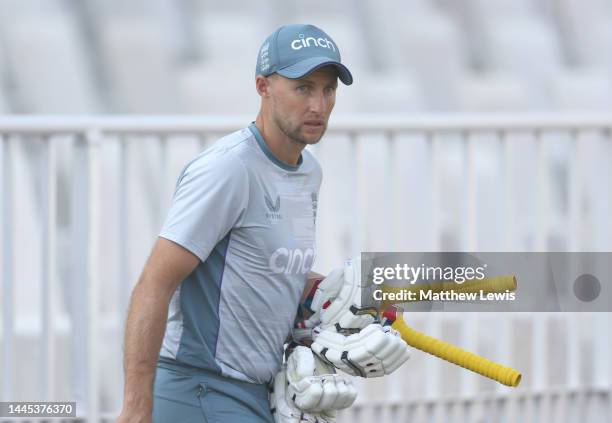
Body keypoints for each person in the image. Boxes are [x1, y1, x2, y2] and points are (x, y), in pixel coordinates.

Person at [116, 23, 355, 423]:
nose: (318, 104)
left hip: (252, 392)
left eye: (328, 89)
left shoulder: (309, 171)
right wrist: (136, 408)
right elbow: (153, 284)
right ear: (263, 87)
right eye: (303, 88)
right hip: (200, 389)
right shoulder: (228, 168)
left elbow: (272, 264)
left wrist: (343, 297)